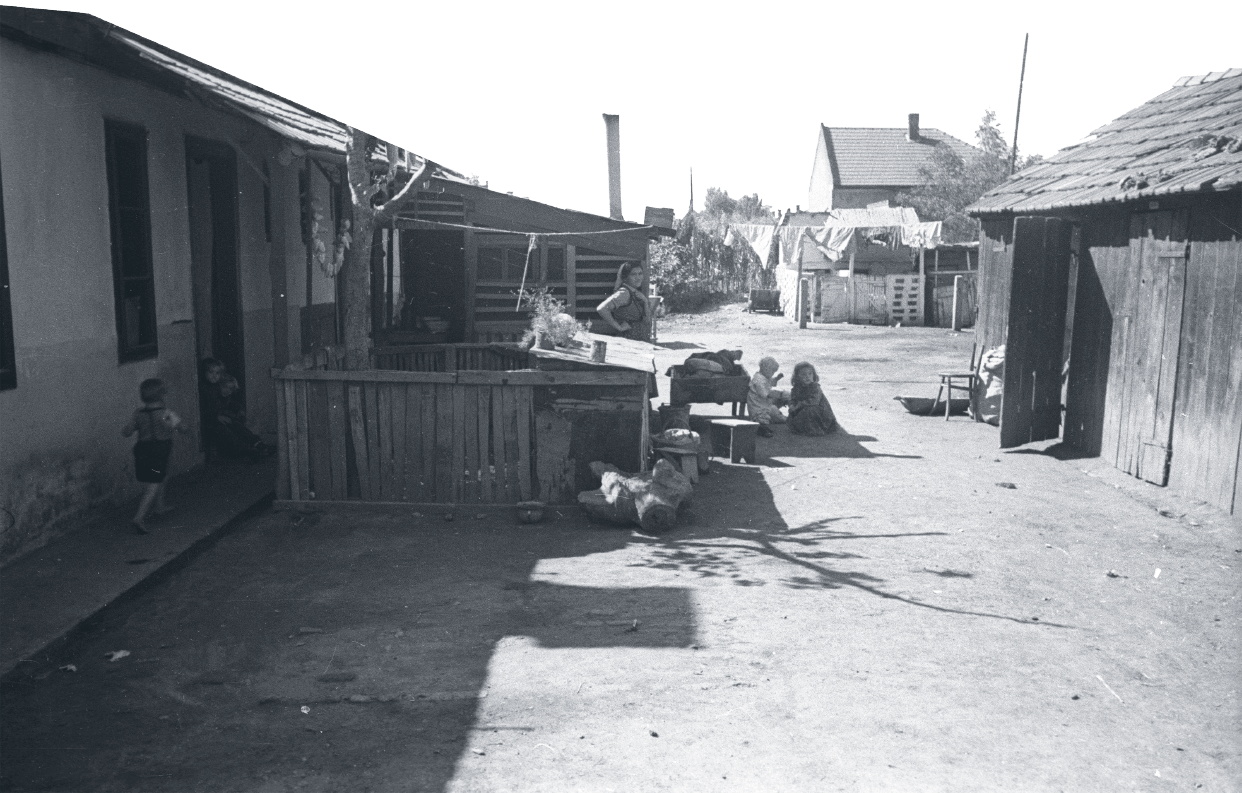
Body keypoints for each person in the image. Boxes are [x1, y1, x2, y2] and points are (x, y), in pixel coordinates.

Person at [122, 378, 185, 534]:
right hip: (159, 450)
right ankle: (139, 517)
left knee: (160, 476)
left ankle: (160, 506)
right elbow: (182, 427)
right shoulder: (165, 413)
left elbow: (127, 432)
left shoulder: (138, 413)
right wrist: (176, 426)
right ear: (162, 394)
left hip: (142, 449)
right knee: (154, 482)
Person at [214, 374, 272, 461]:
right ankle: (248, 450)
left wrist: (239, 409)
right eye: (225, 387)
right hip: (215, 423)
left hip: (223, 420)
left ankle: (258, 444)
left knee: (237, 425)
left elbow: (232, 404)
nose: (227, 391)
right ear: (220, 386)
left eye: (231, 389)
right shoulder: (214, 396)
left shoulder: (226, 398)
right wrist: (219, 416)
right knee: (230, 428)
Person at [595, 262, 649, 340]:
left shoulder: (634, 293)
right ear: (625, 277)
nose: (638, 277)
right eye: (633, 274)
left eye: (640, 273)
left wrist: (645, 301)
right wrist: (619, 327)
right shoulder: (624, 293)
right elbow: (601, 309)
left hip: (636, 339)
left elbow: (647, 320)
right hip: (628, 339)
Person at [787, 362, 838, 437]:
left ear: (814, 375)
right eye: (804, 374)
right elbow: (793, 399)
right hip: (802, 409)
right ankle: (803, 428)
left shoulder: (815, 387)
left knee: (809, 410)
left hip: (820, 412)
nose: (807, 377)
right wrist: (791, 405)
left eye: (810, 374)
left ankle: (816, 430)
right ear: (797, 377)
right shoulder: (796, 388)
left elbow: (814, 401)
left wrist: (798, 405)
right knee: (793, 415)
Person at [747, 356, 786, 437]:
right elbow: (764, 394)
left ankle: (782, 418)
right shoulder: (758, 380)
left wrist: (776, 379)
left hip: (765, 404)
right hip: (758, 407)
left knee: (775, 413)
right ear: (766, 369)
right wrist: (778, 394)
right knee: (762, 419)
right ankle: (762, 429)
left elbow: (769, 382)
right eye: (772, 372)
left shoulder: (763, 377)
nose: (772, 374)